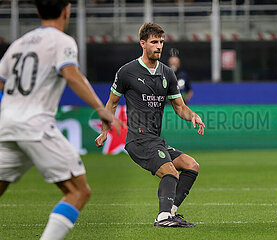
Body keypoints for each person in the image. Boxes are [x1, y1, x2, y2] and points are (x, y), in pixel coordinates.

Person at [0, 1, 121, 240]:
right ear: (67, 10)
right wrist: (100, 108)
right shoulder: (62, 41)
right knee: (78, 191)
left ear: (37, 12)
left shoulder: (17, 45)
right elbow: (71, 74)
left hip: (6, 125)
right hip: (35, 126)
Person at [95, 22, 205, 228]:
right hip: (138, 139)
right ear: (143, 44)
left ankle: (170, 213)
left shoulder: (167, 73)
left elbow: (180, 107)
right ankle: (163, 218)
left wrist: (193, 116)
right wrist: (104, 131)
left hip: (155, 140)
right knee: (170, 172)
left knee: (191, 166)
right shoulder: (127, 72)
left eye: (161, 42)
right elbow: (111, 103)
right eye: (154, 42)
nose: (159, 46)